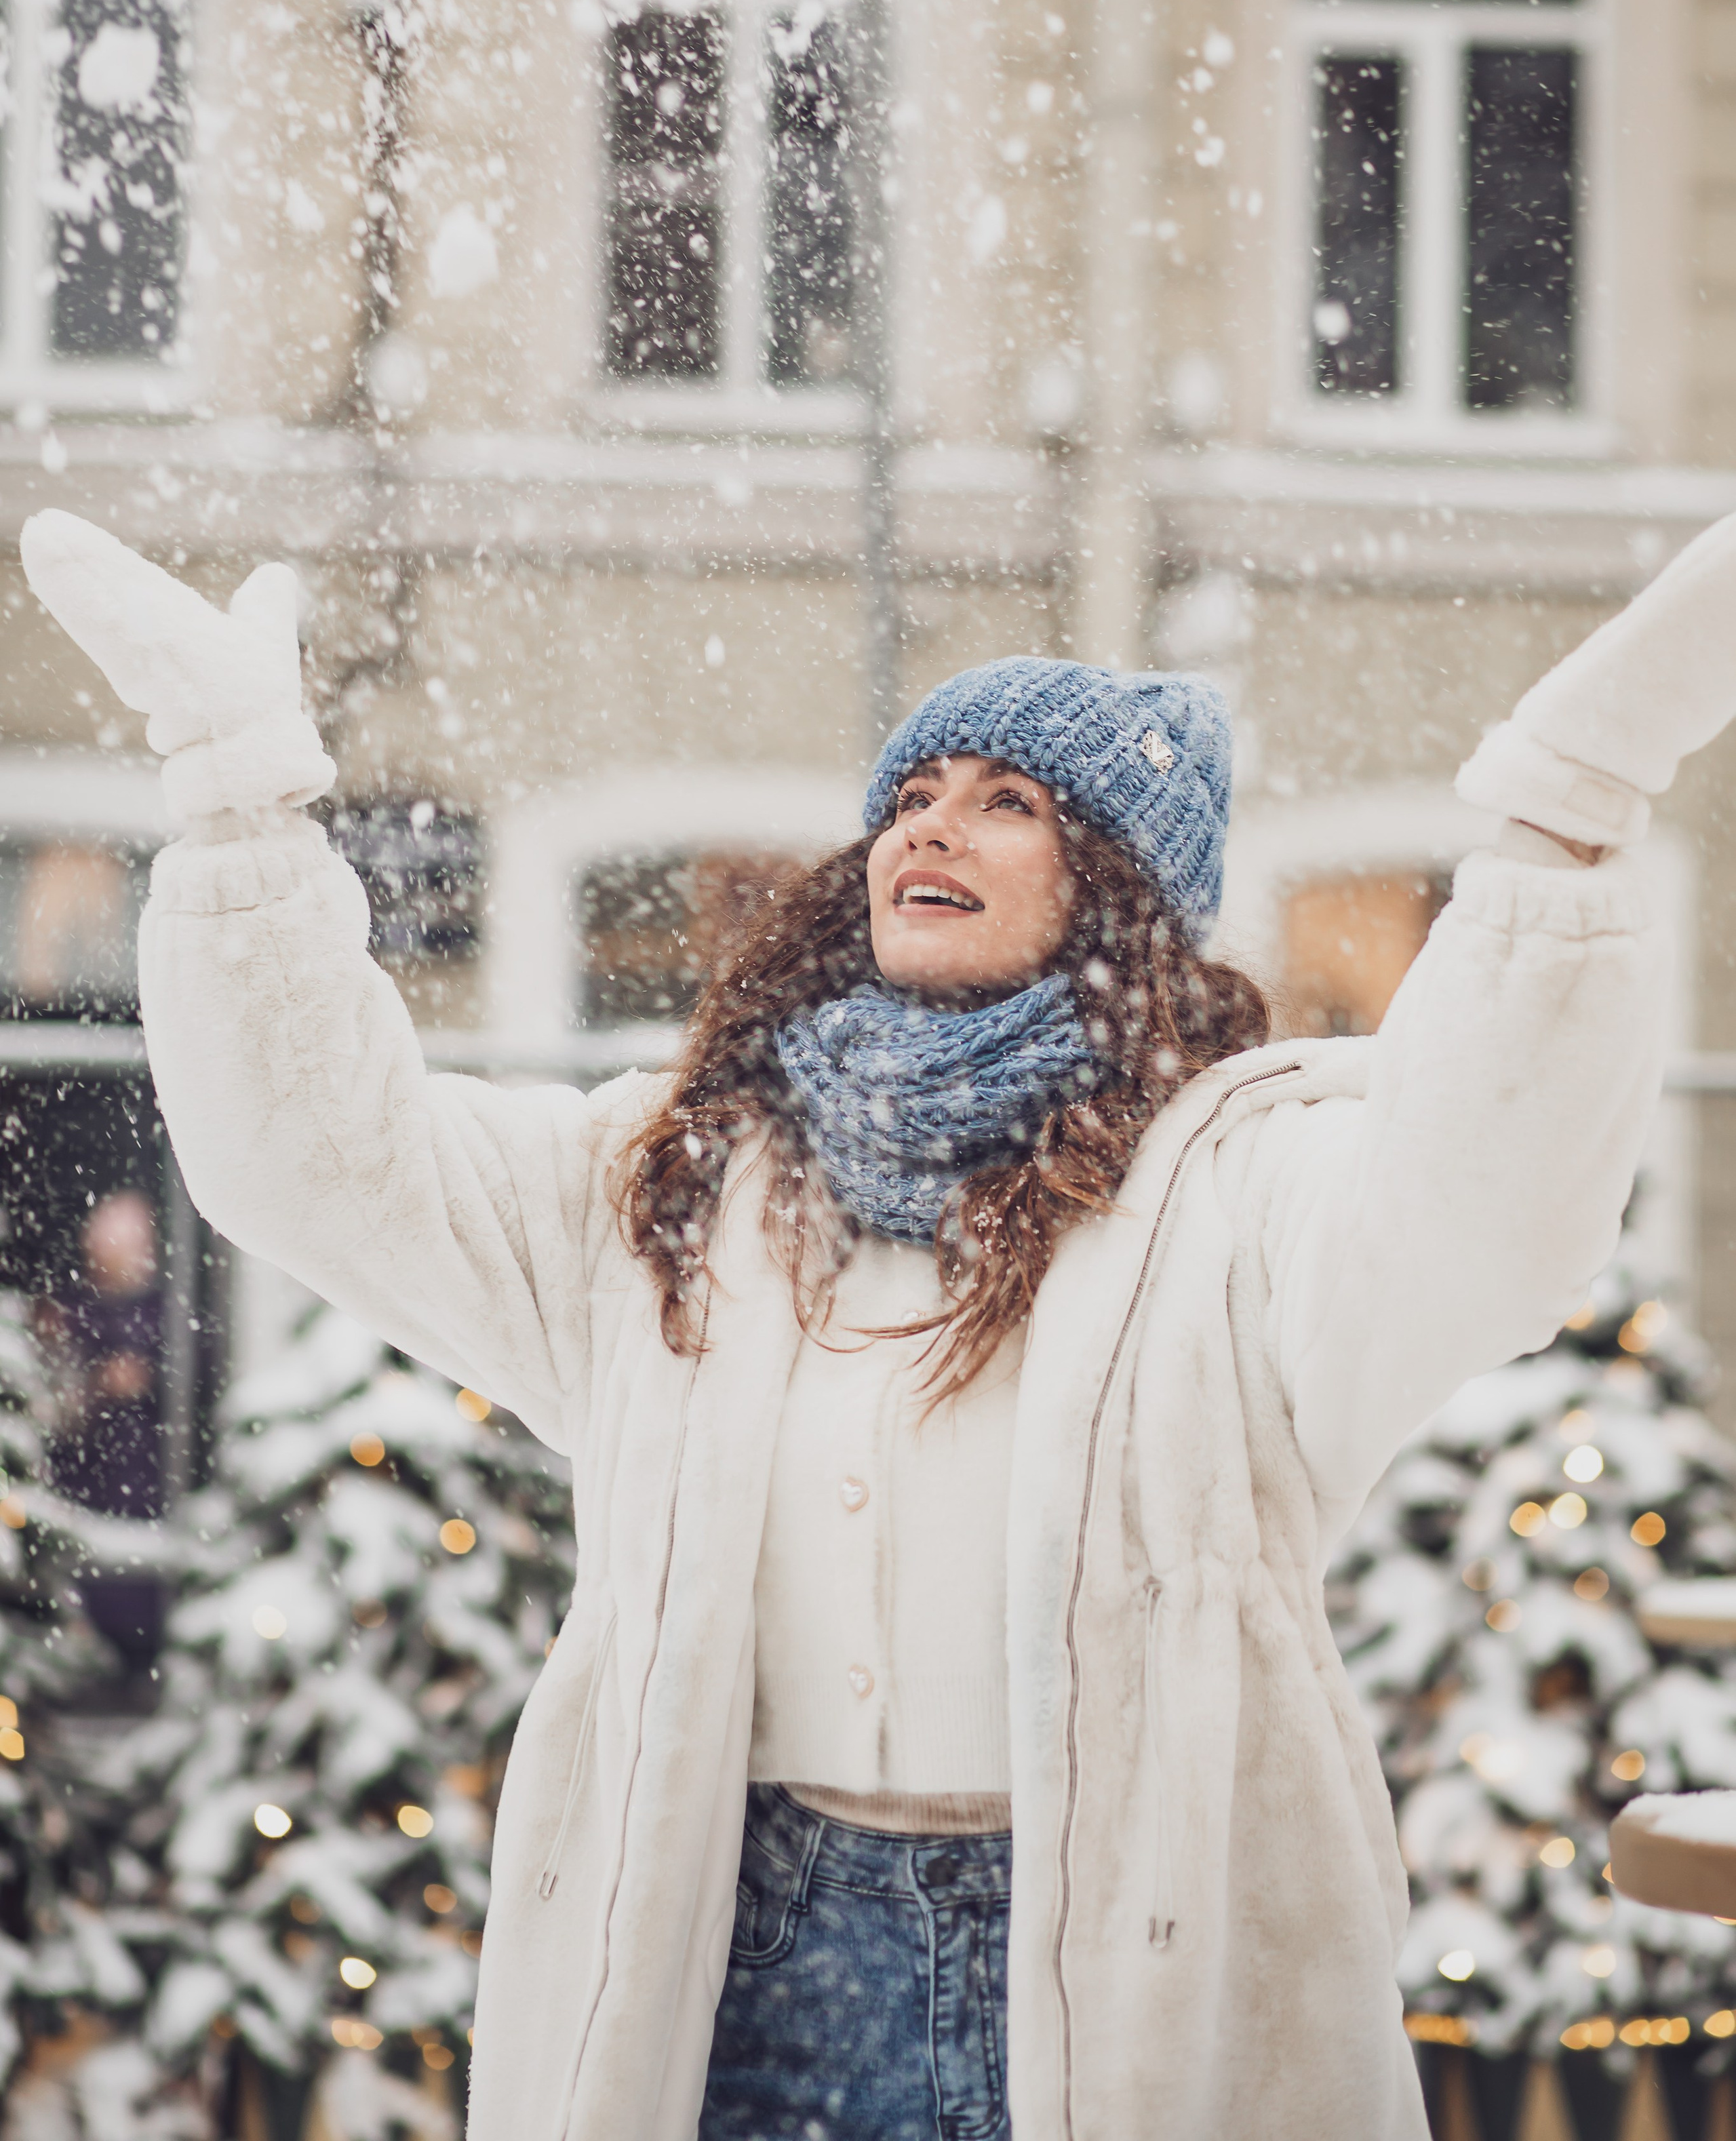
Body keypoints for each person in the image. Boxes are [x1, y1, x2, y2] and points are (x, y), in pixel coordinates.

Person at [18, 505, 1729, 2141]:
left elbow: (1485, 1203)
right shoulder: (676, 1181)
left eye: (1007, 803)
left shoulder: (1234, 1195)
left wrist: (1562, 823)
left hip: (1120, 1954)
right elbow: (324, 1161)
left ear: (1122, 883)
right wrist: (242, 813)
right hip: (738, 1952)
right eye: (910, 791)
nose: (928, 824)